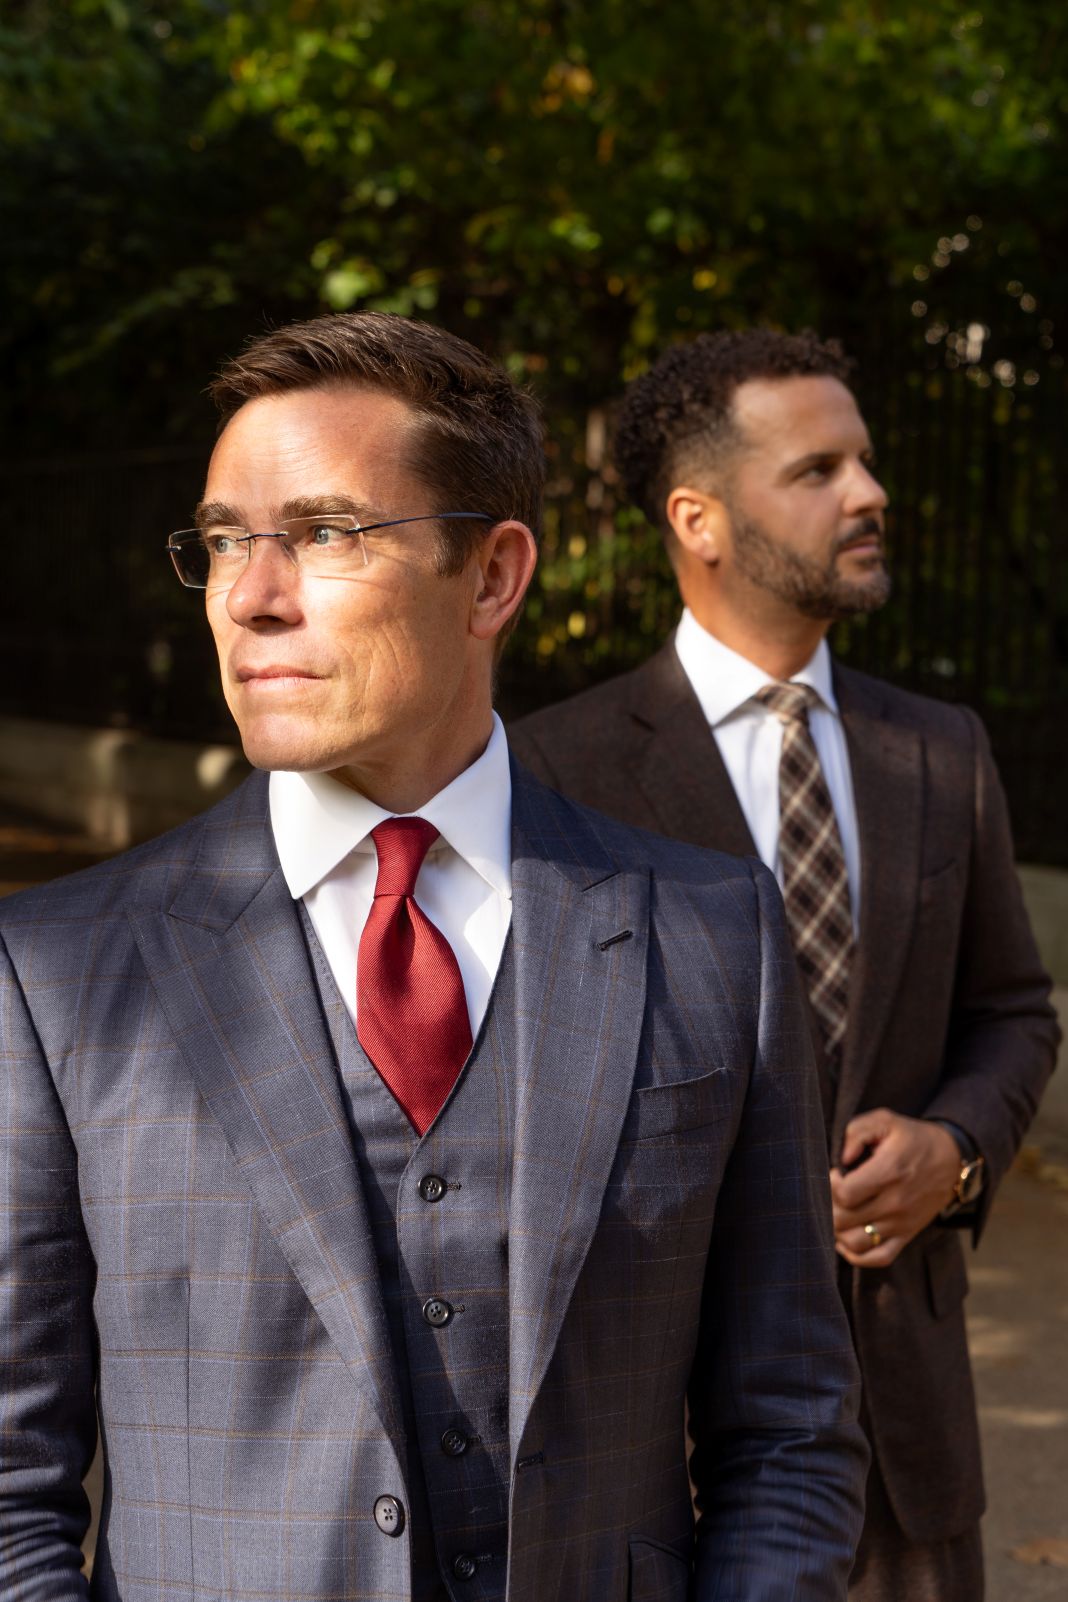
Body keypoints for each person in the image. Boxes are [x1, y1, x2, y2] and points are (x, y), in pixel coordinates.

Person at [0, 312, 867, 1602]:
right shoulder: (58, 969)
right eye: (227, 539)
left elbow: (790, 1430)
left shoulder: (710, 933)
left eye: (326, 532)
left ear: (494, 577)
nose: (250, 594)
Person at [510, 328, 1061, 1601]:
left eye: (864, 461)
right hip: (665, 1453)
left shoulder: (941, 750)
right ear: (697, 519)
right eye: (818, 470)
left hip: (907, 1438)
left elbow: (1014, 1012)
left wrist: (957, 1150)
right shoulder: (556, 772)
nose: (868, 495)